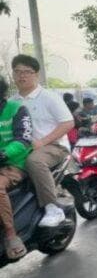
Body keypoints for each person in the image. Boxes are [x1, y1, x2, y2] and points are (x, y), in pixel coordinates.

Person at [10, 54, 73, 227]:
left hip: (53, 146)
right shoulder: (11, 102)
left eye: (27, 72)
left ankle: (52, 208)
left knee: (34, 161)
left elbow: (68, 123)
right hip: (20, 148)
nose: (22, 75)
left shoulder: (49, 97)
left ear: (36, 74)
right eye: (17, 71)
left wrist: (42, 142)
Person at [0, 77, 34, 260]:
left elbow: (24, 139)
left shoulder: (17, 109)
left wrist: (5, 153)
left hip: (14, 163)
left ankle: (11, 235)